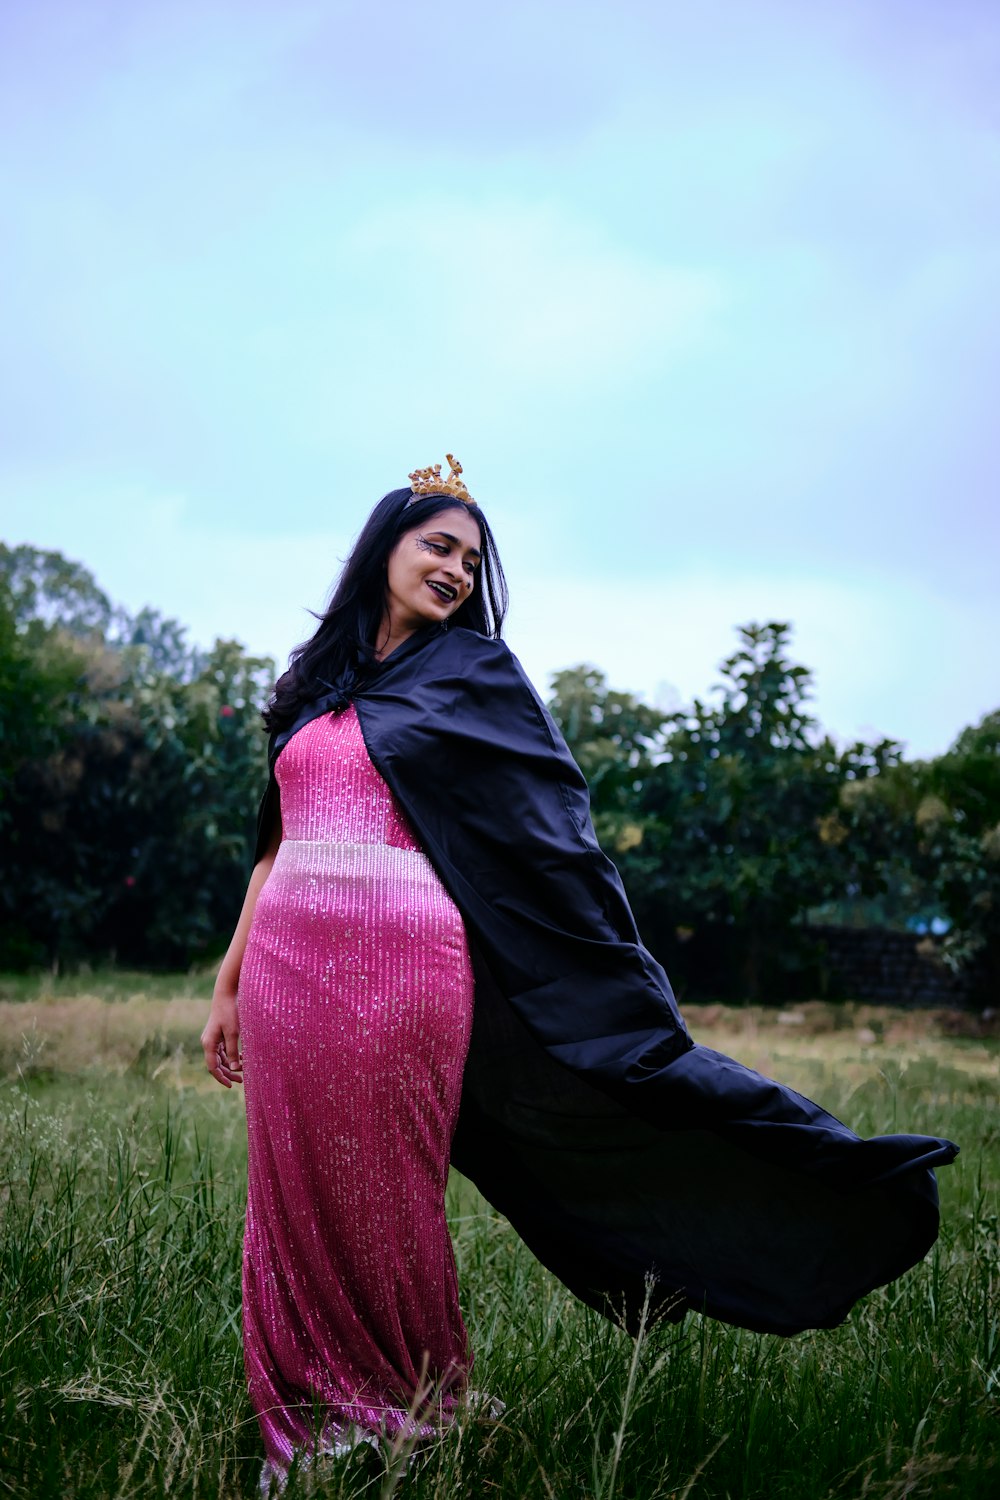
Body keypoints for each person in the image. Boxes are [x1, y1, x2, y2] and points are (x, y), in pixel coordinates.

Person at [202, 458, 958, 1482]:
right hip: (290, 964)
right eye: (439, 546)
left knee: (385, 1190)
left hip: (404, 969)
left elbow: (551, 835)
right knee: (288, 1185)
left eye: (473, 560)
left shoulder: (473, 679)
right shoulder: (311, 686)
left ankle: (409, 1403)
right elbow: (272, 841)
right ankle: (307, 1415)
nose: (458, 571)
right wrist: (230, 980)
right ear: (385, 545)